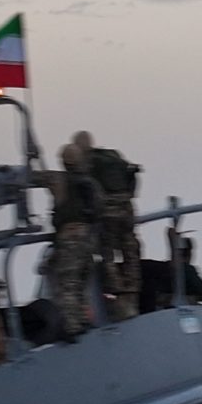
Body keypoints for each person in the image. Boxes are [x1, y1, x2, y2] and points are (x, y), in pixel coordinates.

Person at [75, 131, 143, 321]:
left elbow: (86, 191)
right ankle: (132, 291)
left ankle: (117, 293)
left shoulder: (87, 163)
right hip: (127, 207)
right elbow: (131, 176)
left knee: (107, 254)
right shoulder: (112, 155)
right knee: (130, 249)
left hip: (107, 212)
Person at [39, 141, 103, 338]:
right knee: (81, 282)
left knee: (68, 283)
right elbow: (99, 208)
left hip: (70, 238)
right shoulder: (89, 183)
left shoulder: (60, 181)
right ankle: (82, 320)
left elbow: (40, 179)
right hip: (87, 238)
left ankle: (73, 327)